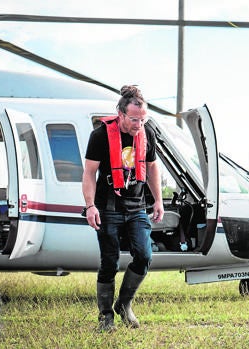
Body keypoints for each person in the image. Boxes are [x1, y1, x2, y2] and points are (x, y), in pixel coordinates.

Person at [82, 85, 164, 332]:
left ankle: (124, 305)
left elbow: (151, 167)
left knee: (144, 255)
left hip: (137, 205)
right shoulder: (100, 135)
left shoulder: (146, 132)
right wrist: (90, 206)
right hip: (108, 206)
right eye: (134, 119)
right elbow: (89, 173)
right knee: (110, 261)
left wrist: (158, 200)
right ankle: (105, 315)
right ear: (120, 113)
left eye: (143, 119)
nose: (139, 124)